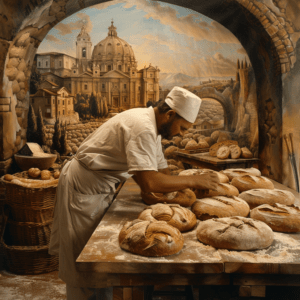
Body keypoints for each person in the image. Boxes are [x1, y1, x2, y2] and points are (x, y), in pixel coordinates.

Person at [49, 86, 220, 300]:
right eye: (183, 128)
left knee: (99, 269)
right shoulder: (143, 127)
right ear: (170, 115)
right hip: (84, 187)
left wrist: (180, 190)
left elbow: (161, 172)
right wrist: (194, 179)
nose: (182, 134)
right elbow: (149, 182)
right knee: (86, 263)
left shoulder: (155, 128)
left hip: (98, 185)